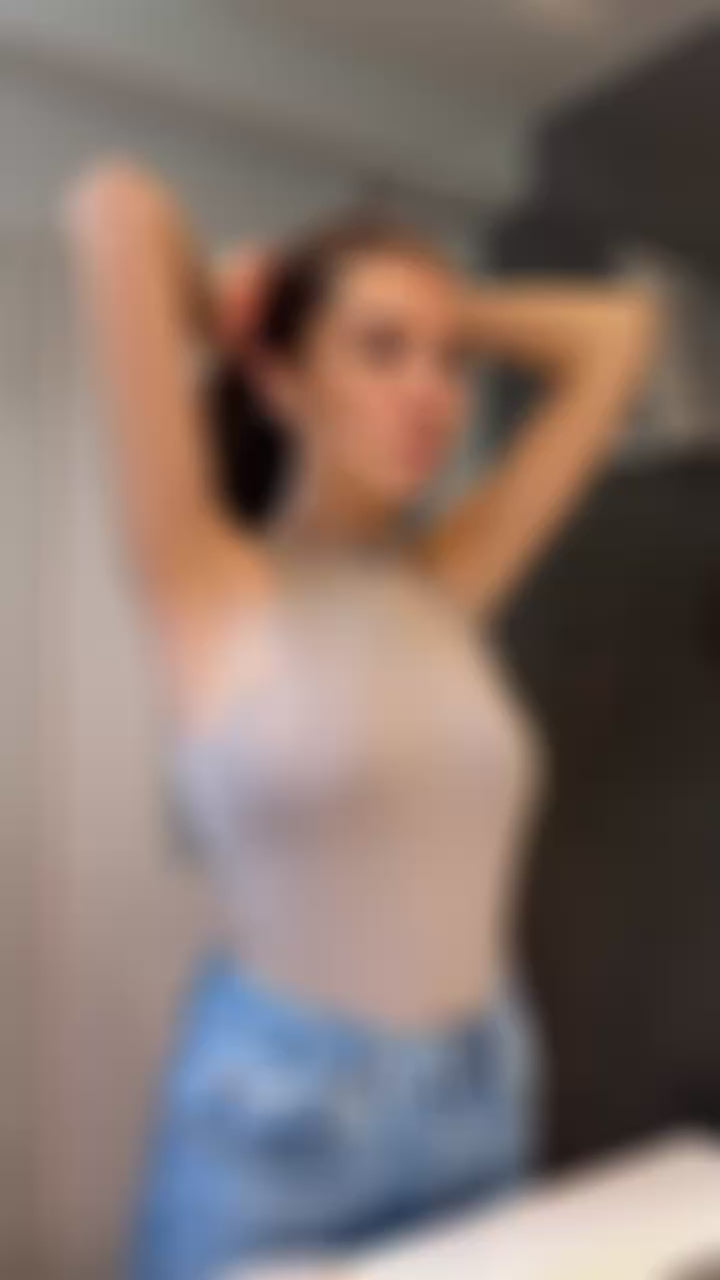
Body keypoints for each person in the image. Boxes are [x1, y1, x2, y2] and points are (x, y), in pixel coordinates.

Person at [67, 162, 660, 1280]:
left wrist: (437, 307)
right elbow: (117, 211)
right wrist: (238, 299)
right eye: (382, 351)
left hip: (482, 1092)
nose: (433, 390)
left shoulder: (447, 578)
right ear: (281, 378)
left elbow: (619, 335)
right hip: (281, 1126)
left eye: (446, 360)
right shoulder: (202, 580)